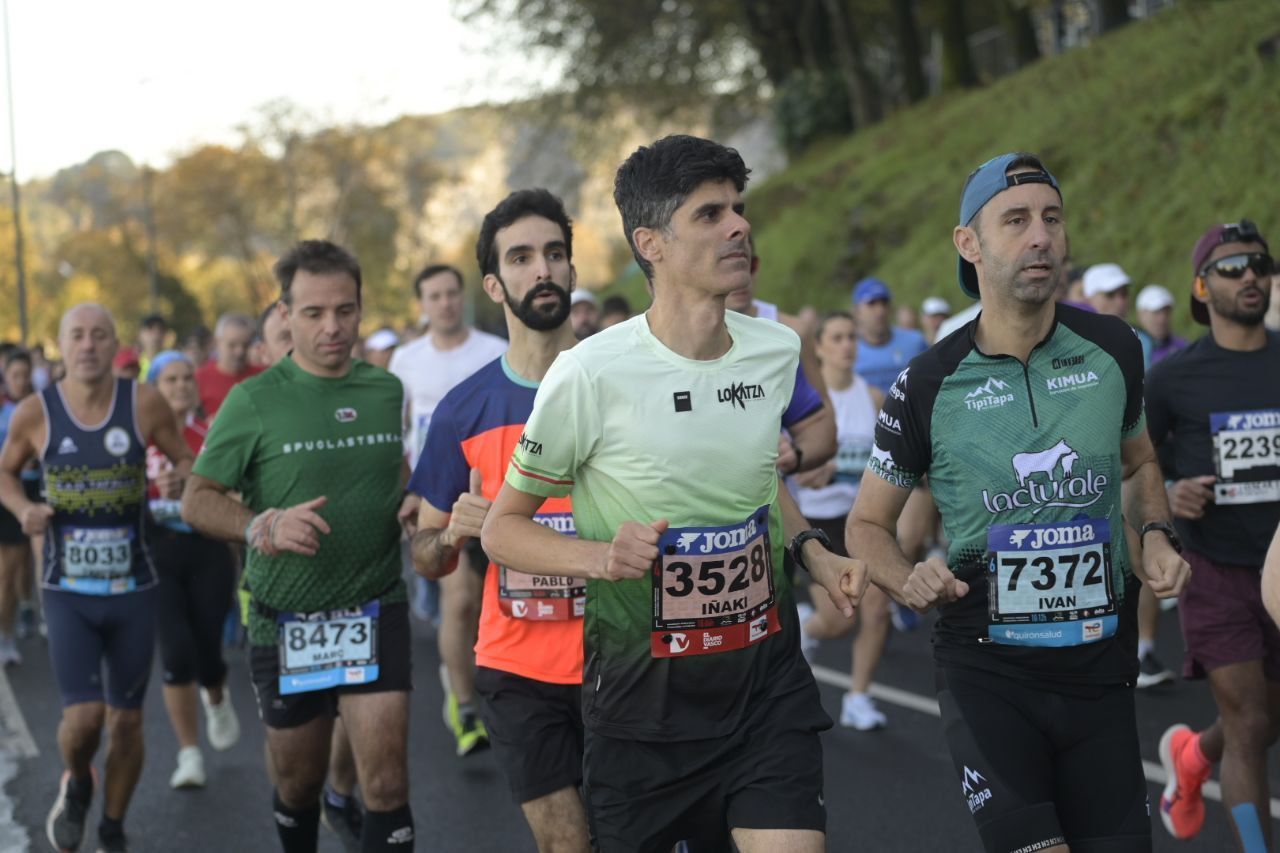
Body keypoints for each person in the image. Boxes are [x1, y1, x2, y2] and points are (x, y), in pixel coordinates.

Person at [483, 134, 865, 853]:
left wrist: (813, 551)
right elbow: (502, 529)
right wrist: (603, 556)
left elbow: (759, 477)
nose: (739, 227)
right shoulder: (589, 373)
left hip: (764, 693)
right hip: (642, 713)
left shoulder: (775, 350)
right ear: (650, 242)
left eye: (739, 209)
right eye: (711, 214)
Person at [849, 152, 1189, 853]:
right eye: (1016, 221)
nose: (1041, 236)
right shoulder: (929, 381)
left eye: (1052, 218)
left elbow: (1139, 461)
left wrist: (1155, 532)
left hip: (1100, 668)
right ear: (968, 245)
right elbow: (866, 525)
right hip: (987, 670)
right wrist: (903, 573)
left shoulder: (1114, 348)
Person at [181, 240, 418, 853]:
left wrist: (419, 509)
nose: (332, 327)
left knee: (388, 785)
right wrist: (262, 525)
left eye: (345, 310)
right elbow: (197, 498)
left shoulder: (385, 391)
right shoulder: (254, 400)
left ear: (362, 308)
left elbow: (394, 481)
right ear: (286, 314)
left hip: (375, 606)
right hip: (285, 619)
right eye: (313, 313)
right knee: (298, 783)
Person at [410, 188, 591, 851]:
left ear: (571, 268)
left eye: (554, 253)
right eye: (521, 258)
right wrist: (457, 530)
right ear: (494, 282)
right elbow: (426, 555)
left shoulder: (621, 383)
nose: (542, 269)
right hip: (519, 667)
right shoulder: (464, 408)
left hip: (624, 657)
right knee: (567, 842)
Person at [0, 303, 195, 853]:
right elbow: (6, 473)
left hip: (134, 587)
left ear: (114, 346)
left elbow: (184, 459)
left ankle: (112, 826)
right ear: (61, 345)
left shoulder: (144, 402)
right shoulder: (36, 412)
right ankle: (79, 779)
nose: (88, 345)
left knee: (127, 724)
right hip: (67, 591)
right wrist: (22, 511)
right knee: (84, 719)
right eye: (77, 336)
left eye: (99, 336)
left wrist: (182, 481)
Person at [1148, 219, 1280, 852]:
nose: (1250, 274)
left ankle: (1193, 757)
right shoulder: (1174, 378)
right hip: (1218, 571)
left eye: (1259, 264)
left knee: (1262, 721)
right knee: (1250, 722)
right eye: (1232, 268)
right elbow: (1137, 461)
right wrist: (1171, 494)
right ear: (1202, 287)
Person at [388, 263, 507, 757]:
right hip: (442, 491)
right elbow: (399, 435)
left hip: (500, 493)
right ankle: (465, 707)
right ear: (422, 304)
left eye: (452, 293)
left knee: (489, 604)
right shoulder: (405, 359)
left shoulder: (494, 350)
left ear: (465, 297)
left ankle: (503, 693)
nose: (445, 303)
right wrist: (410, 490)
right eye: (434, 296)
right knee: (458, 602)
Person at [144, 350, 241, 790]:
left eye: (186, 378)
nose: (181, 386)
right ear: (154, 389)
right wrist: (151, 492)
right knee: (176, 652)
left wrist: (196, 486)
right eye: (170, 380)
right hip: (157, 552)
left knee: (206, 650)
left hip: (207, 549)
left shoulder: (211, 433)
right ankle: (188, 753)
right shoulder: (137, 437)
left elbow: (237, 490)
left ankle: (216, 694)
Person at [792, 311, 891, 730]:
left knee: (877, 611)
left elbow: (887, 463)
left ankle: (858, 696)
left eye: (852, 337)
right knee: (837, 620)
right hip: (813, 522)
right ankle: (806, 628)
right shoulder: (805, 403)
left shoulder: (871, 398)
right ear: (818, 347)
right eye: (836, 337)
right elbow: (783, 466)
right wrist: (805, 471)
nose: (847, 345)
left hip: (857, 521)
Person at [851, 277, 934, 632]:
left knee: (912, 538)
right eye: (871, 304)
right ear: (858, 312)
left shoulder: (912, 342)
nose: (879, 310)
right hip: (860, 455)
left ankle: (902, 588)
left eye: (884, 302)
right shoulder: (847, 348)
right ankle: (874, 608)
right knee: (867, 531)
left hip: (909, 450)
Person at [0, 348, 38, 662]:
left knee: (21, 564)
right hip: (3, 489)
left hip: (31, 488)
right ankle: (7, 633)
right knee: (5, 571)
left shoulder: (40, 406)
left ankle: (24, 610)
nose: (21, 381)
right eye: (16, 376)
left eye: (26, 375)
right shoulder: (2, 408)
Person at [195, 313, 262, 418]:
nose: (239, 351)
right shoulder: (199, 378)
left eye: (245, 345)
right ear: (217, 342)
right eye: (232, 345)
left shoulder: (262, 375)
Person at [1135, 284, 1189, 365]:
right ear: (1141, 314)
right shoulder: (1131, 349)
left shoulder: (1183, 347)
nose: (1162, 319)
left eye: (1166, 312)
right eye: (1156, 312)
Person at [137, 314, 168, 379]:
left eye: (161, 329)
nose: (156, 333)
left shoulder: (172, 363)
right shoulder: (131, 364)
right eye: (150, 328)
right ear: (140, 334)